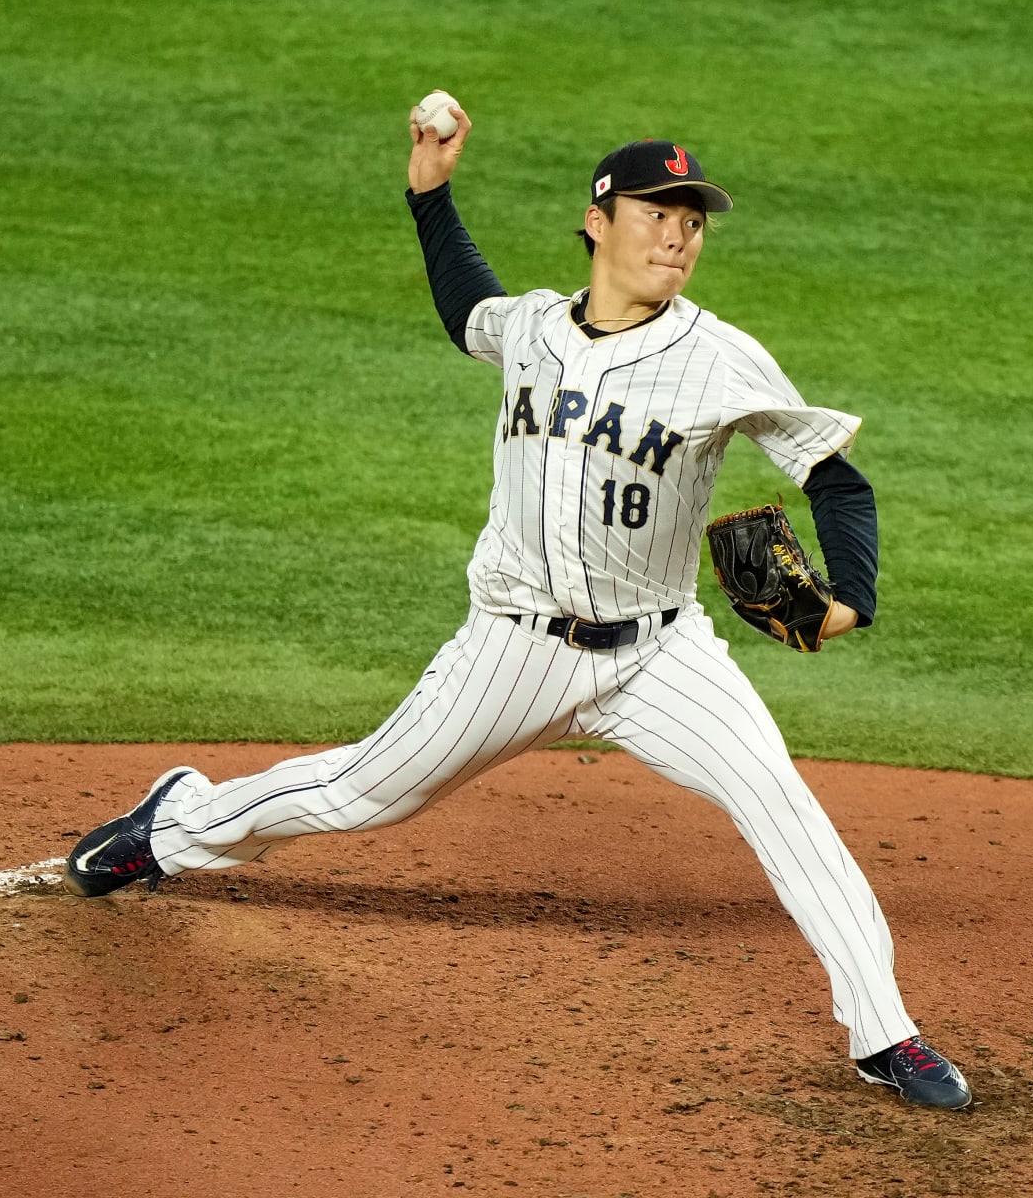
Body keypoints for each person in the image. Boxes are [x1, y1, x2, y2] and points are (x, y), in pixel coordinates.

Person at [62, 99, 971, 1110]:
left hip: (661, 656)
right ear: (598, 220)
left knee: (785, 810)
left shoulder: (721, 356)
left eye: (694, 218)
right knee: (362, 793)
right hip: (515, 645)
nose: (677, 233)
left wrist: (852, 600)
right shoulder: (536, 326)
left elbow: (836, 479)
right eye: (655, 211)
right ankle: (175, 824)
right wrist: (430, 192)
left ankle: (886, 1036)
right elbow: (464, 309)